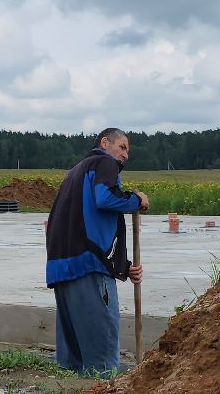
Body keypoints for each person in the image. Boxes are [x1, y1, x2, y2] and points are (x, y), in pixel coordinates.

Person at [45, 128, 147, 375]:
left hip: (62, 270)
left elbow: (86, 225)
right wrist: (137, 200)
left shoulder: (75, 172)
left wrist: (123, 266)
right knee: (102, 364)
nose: (125, 155)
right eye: (122, 147)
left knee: (74, 364)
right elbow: (106, 199)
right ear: (105, 143)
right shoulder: (104, 163)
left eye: (127, 151)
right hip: (89, 270)